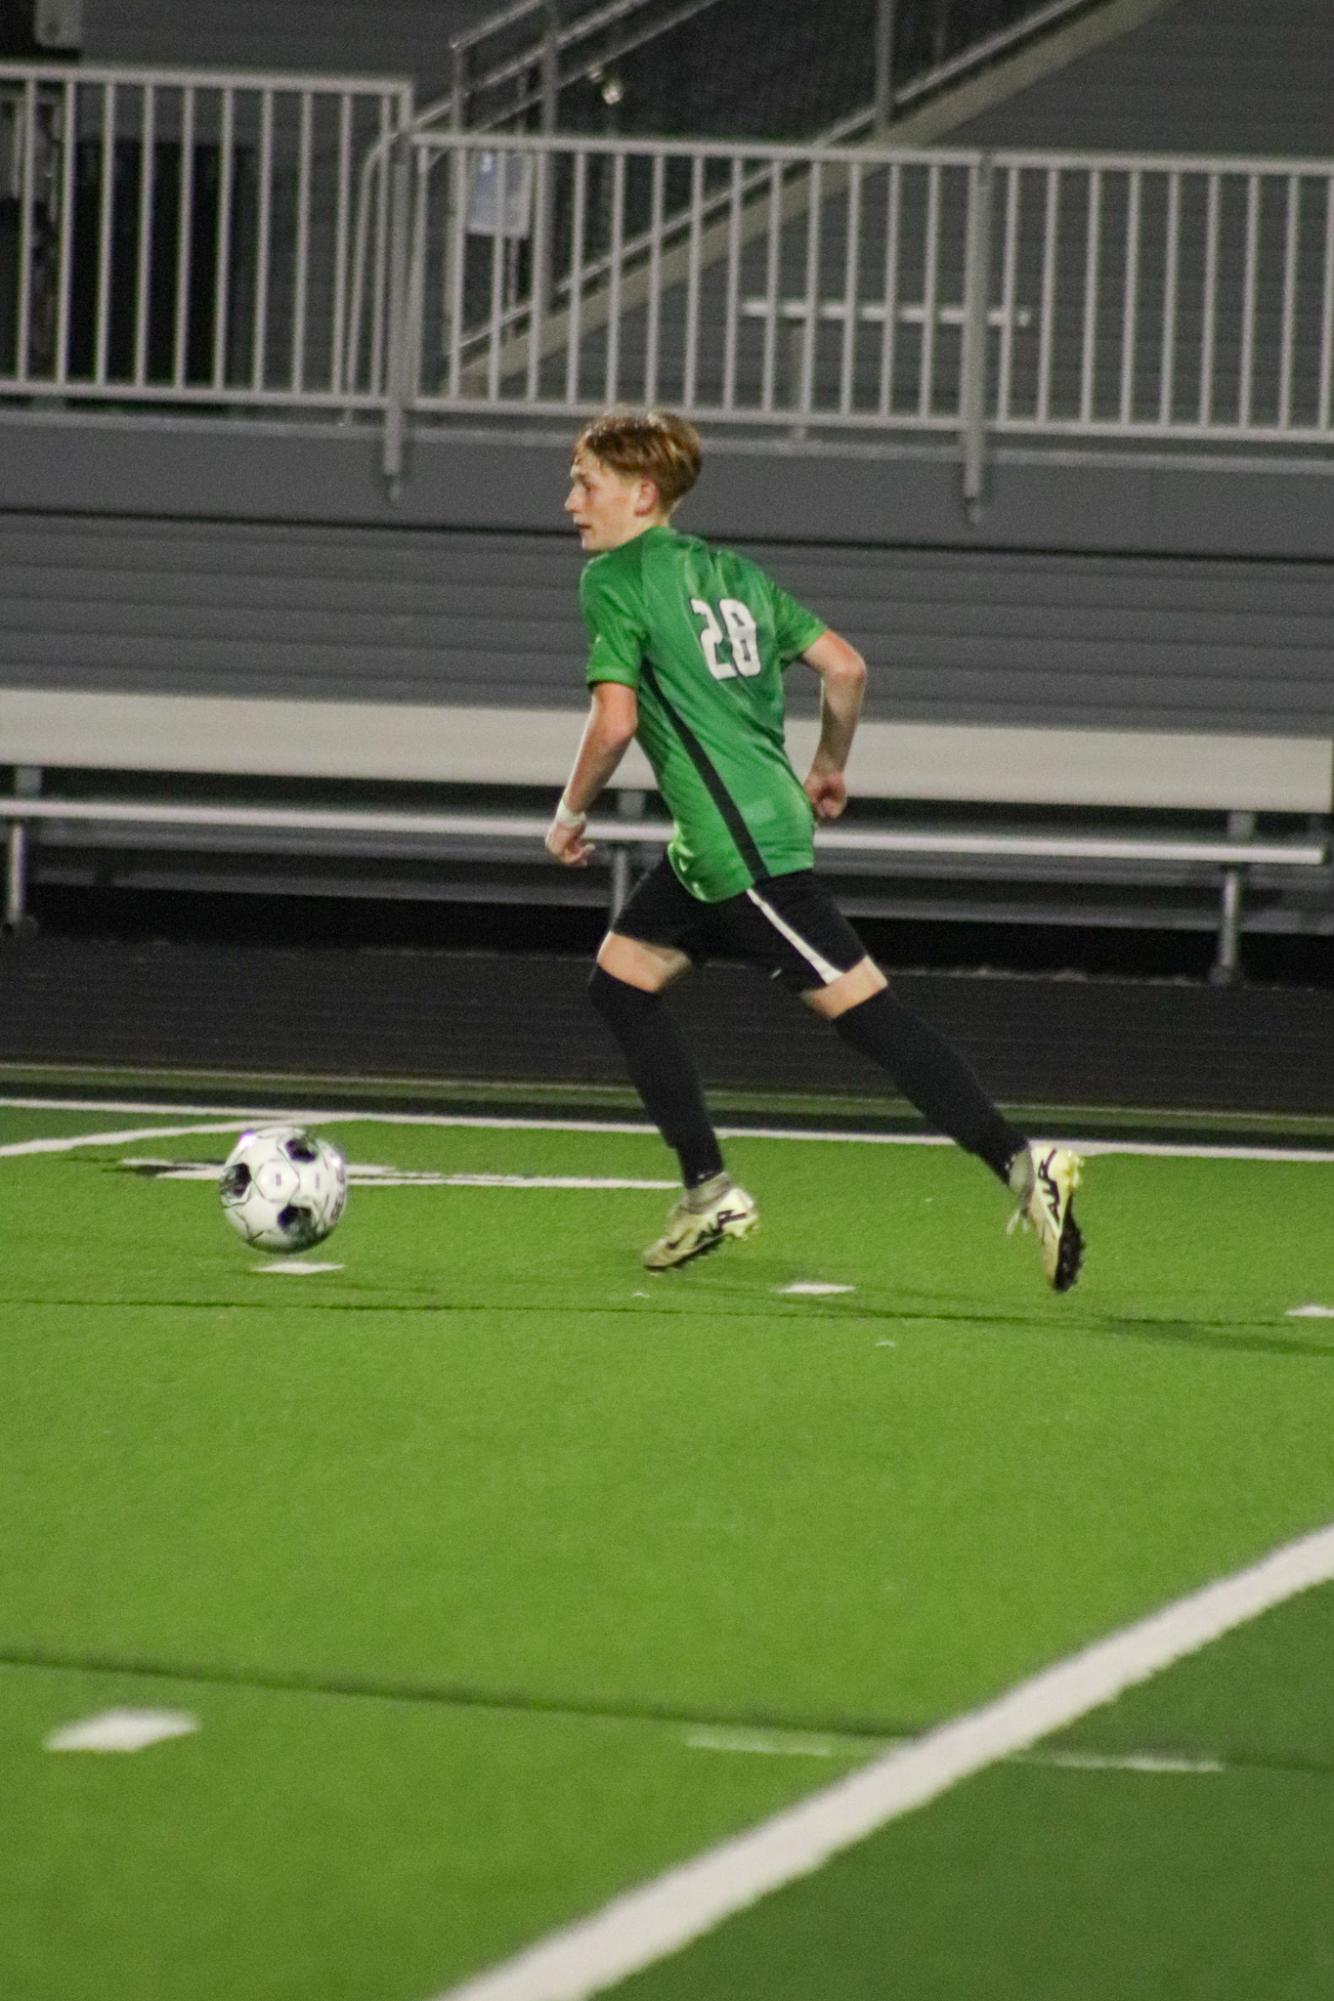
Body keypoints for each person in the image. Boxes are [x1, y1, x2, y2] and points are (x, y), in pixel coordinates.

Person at [544, 407, 1083, 1288]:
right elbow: (845, 666)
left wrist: (568, 813)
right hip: (722, 845)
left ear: (642, 495)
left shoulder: (615, 578)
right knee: (620, 980)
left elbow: (615, 721)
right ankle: (706, 1189)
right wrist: (828, 767)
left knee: (871, 1018)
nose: (571, 502)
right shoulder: (736, 573)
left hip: (741, 855)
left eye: (587, 484)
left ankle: (1025, 1163)